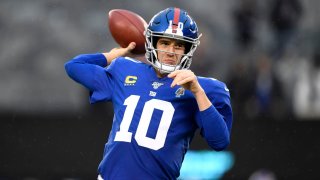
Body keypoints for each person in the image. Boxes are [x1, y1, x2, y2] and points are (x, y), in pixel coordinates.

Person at [65, 7, 232, 180]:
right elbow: (74, 67)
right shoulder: (125, 69)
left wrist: (198, 93)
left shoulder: (204, 88)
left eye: (179, 45)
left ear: (188, 49)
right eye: (165, 43)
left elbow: (219, 142)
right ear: (152, 43)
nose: (170, 51)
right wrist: (110, 56)